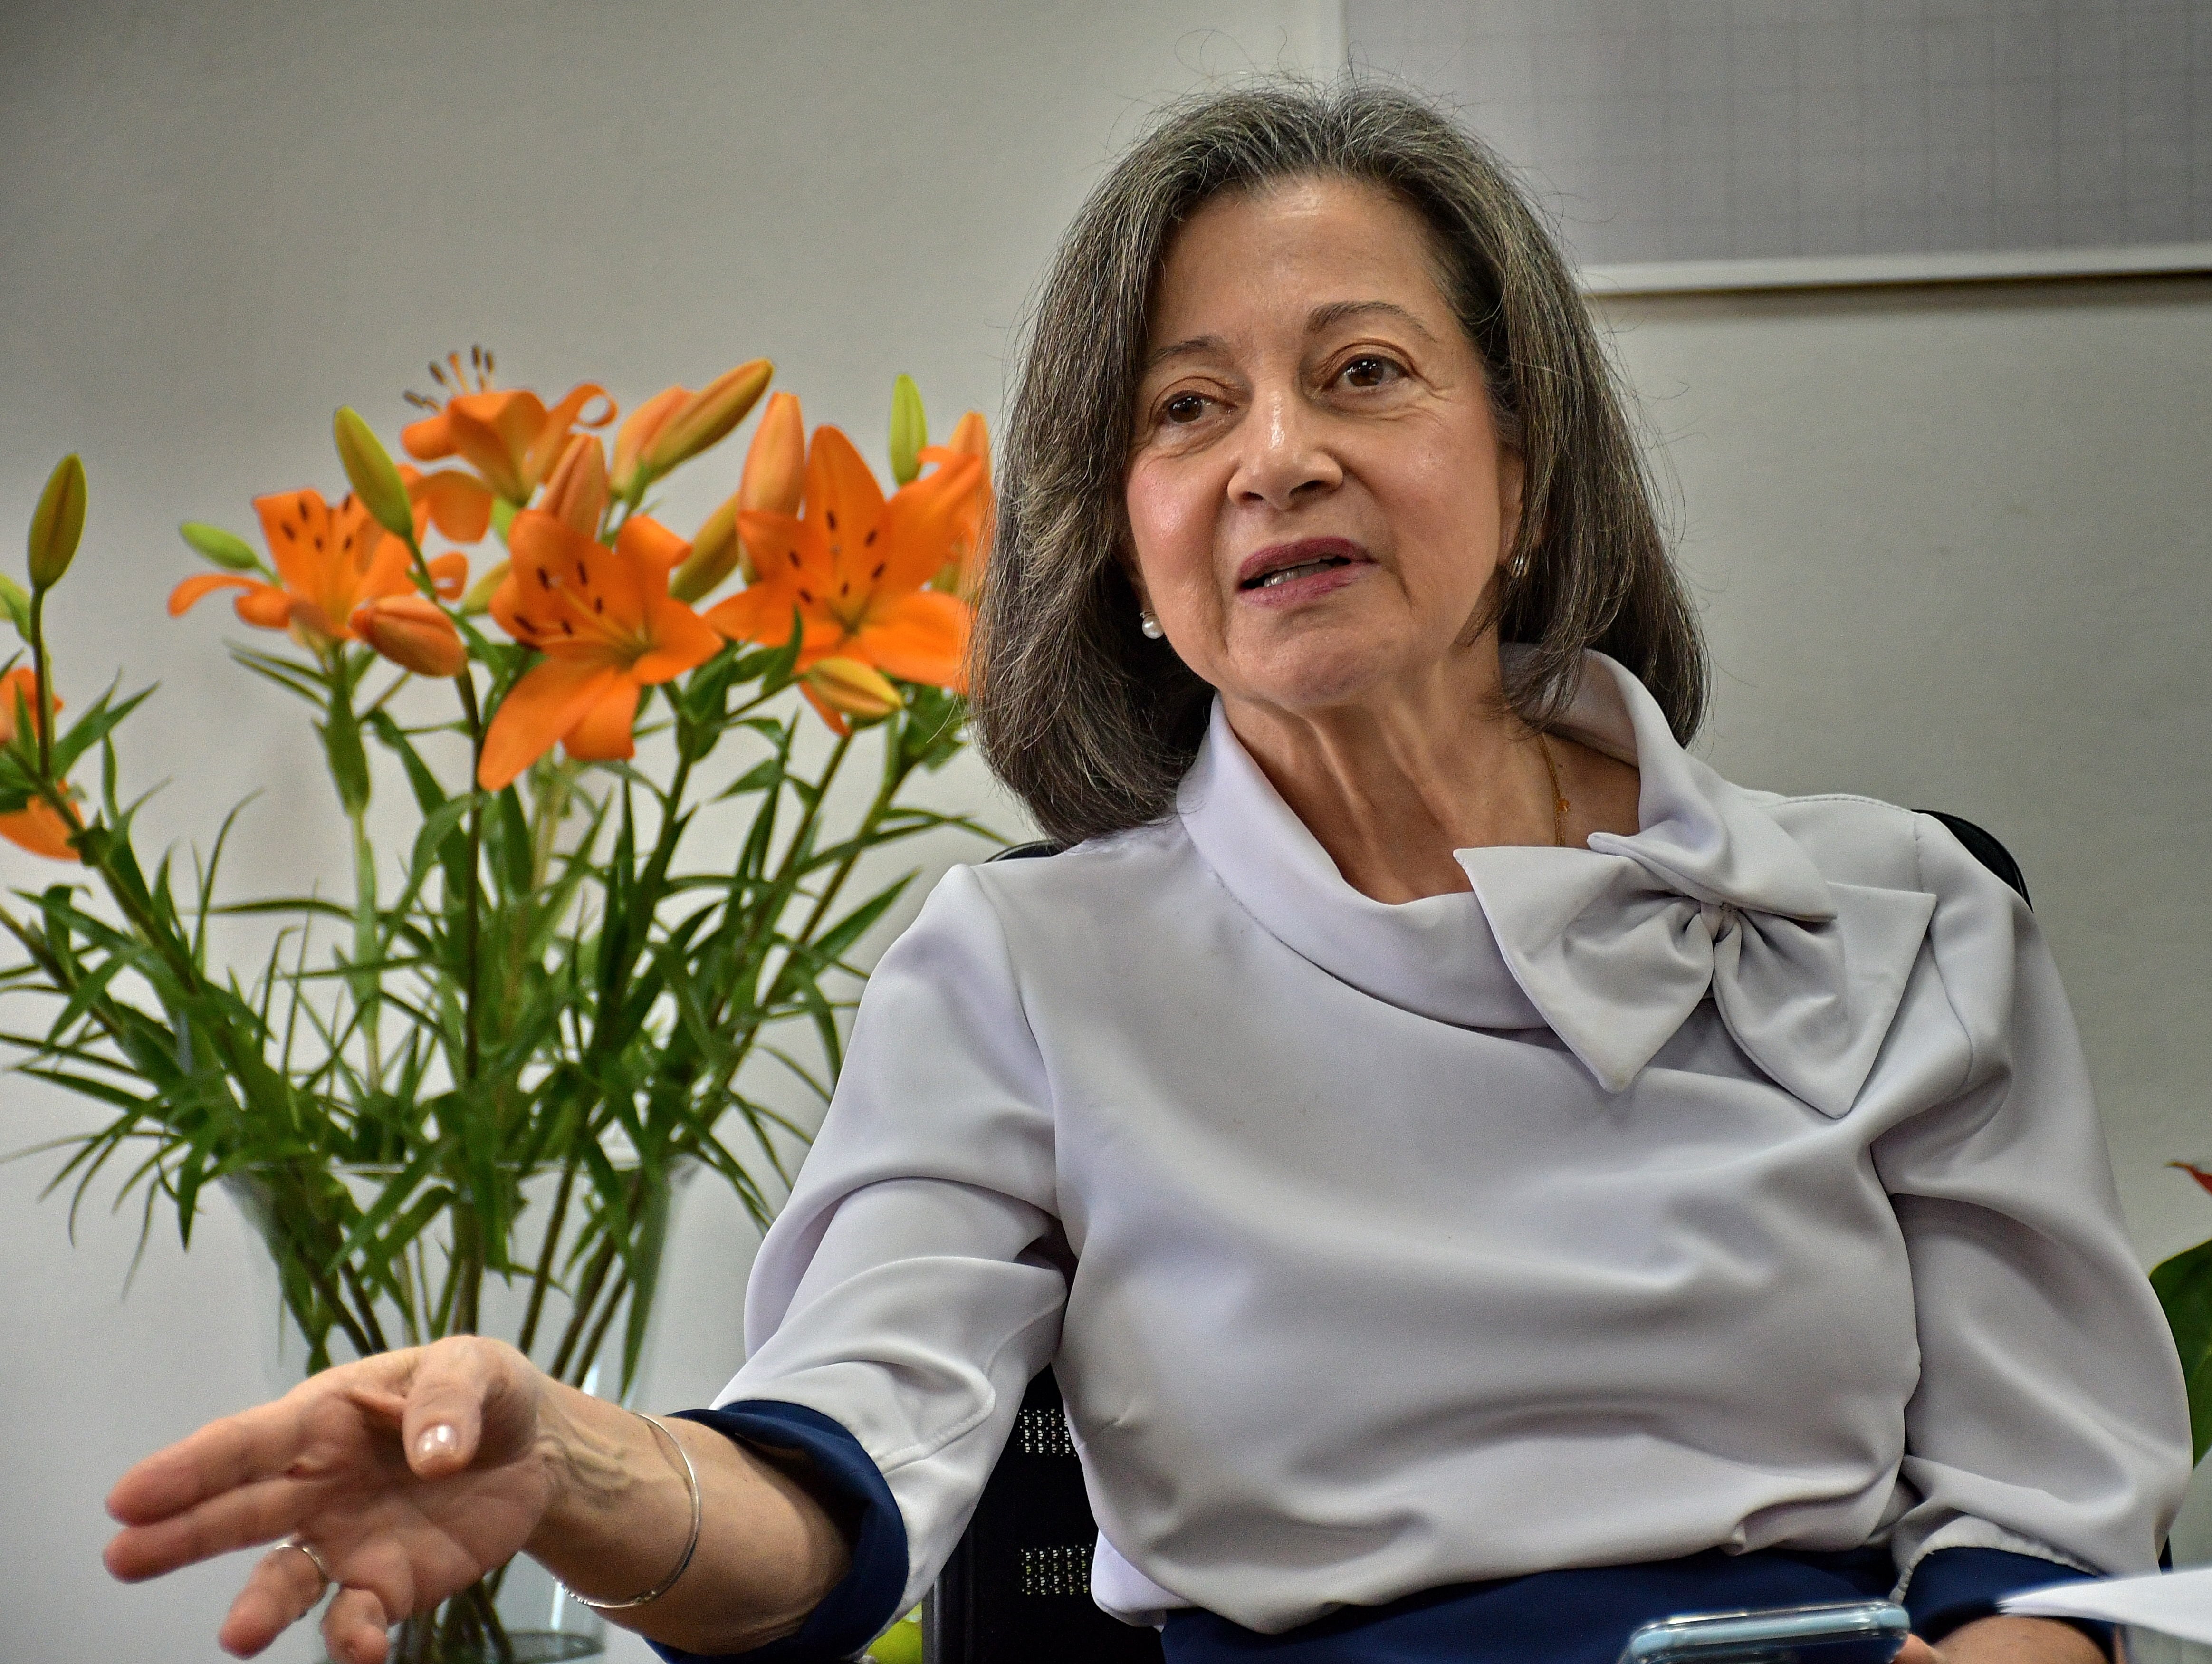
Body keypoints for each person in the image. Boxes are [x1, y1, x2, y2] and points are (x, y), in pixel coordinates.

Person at [103, 81, 2189, 1664]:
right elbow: (836, 1466)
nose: (1276, 451)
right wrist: (558, 1462)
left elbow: (2052, 1502)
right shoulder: (1026, 962)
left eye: (1363, 372)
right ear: (1130, 546)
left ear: (1530, 460)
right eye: (1188, 410)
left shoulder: (1899, 907)